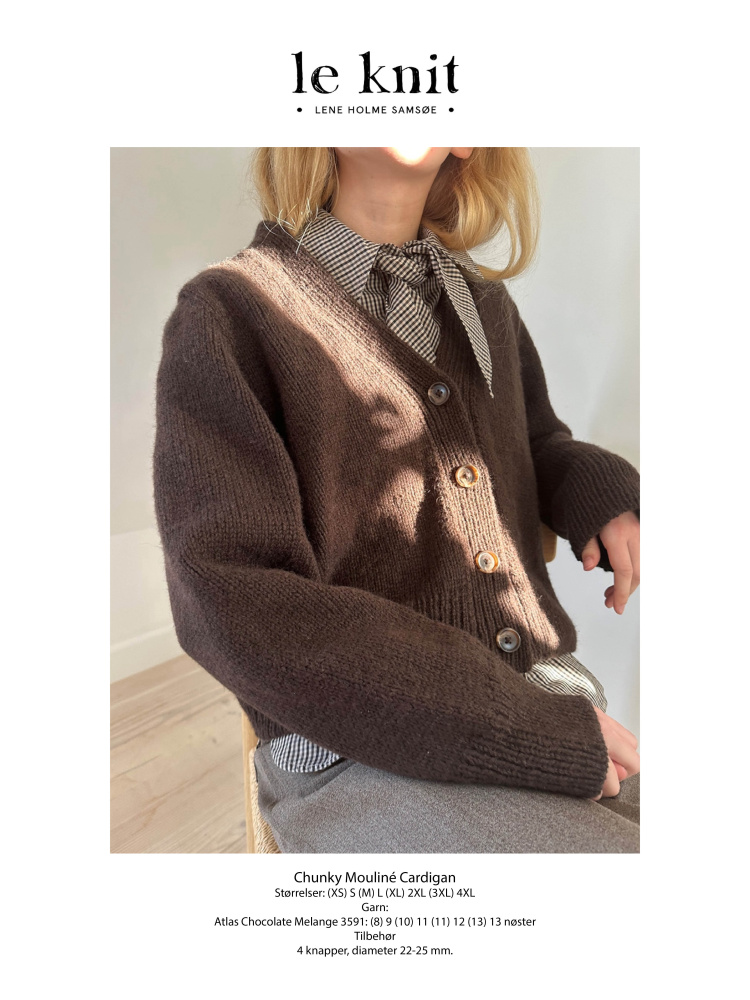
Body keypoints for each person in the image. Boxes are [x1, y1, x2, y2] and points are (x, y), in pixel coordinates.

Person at [153, 147, 640, 853]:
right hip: (351, 751)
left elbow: (531, 445)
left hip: (546, 696)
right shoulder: (230, 312)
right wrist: (523, 729)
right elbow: (230, 597)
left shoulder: (484, 308)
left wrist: (601, 490)